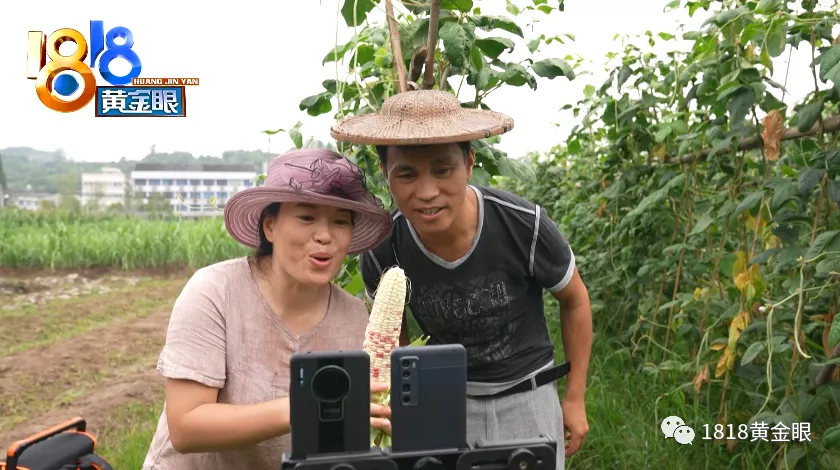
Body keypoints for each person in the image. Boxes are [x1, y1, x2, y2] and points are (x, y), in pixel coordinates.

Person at [331, 89, 593, 469]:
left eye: (443, 170)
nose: (427, 192)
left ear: (469, 162)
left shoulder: (523, 225)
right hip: (443, 399)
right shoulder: (384, 248)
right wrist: (401, 406)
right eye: (406, 173)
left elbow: (576, 300)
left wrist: (574, 398)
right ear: (386, 173)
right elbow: (395, 338)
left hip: (528, 394)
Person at [141, 148, 394, 469]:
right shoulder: (215, 291)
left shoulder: (355, 317)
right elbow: (186, 426)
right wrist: (308, 407)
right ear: (270, 226)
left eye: (340, 222)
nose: (325, 236)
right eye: (306, 217)